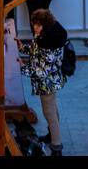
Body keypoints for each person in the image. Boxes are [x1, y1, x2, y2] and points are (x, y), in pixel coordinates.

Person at [20, 8, 69, 156]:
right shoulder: (44, 36)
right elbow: (36, 52)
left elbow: (41, 72)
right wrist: (23, 47)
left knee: (49, 113)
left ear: (45, 25)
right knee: (52, 109)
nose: (35, 27)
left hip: (47, 83)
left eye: (38, 25)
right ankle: (52, 135)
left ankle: (56, 146)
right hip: (50, 81)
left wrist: (22, 68)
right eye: (34, 24)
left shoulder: (49, 44)